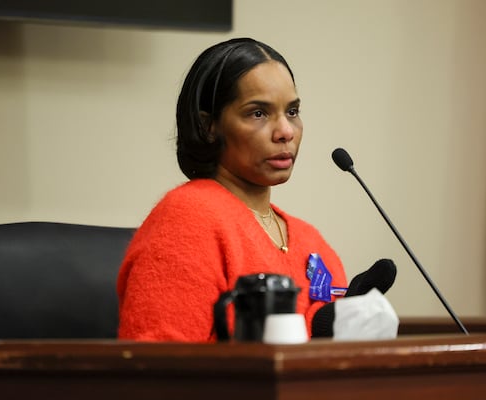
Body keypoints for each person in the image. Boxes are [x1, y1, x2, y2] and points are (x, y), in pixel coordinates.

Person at [116, 38, 348, 342]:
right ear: (209, 126)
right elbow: (156, 372)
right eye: (258, 113)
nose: (286, 132)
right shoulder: (186, 219)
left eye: (292, 111)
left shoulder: (311, 241)